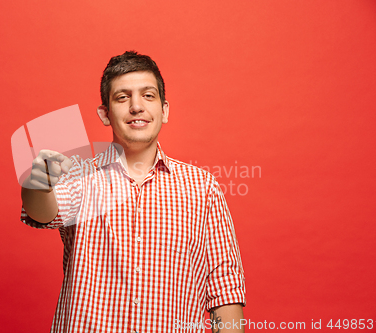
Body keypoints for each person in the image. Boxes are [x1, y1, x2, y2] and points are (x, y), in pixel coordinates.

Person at [20, 51, 246, 333]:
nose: (136, 106)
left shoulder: (203, 188)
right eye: (122, 97)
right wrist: (37, 183)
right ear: (105, 113)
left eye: (148, 96)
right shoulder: (79, 177)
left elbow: (225, 288)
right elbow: (42, 212)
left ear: (164, 111)